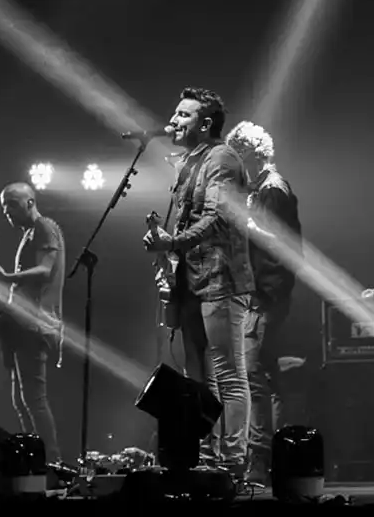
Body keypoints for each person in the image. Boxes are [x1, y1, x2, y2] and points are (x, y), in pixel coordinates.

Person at [143, 87, 254, 474]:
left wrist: (173, 240)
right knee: (197, 377)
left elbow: (219, 217)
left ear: (205, 124)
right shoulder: (190, 161)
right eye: (175, 114)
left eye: (182, 115)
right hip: (192, 281)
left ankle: (233, 460)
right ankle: (206, 457)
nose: (172, 120)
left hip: (221, 280)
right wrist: (165, 246)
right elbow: (190, 219)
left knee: (228, 374)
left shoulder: (221, 157)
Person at [226, 120, 302, 486]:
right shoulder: (263, 189)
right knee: (262, 376)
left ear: (251, 156)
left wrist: (246, 225)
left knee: (256, 376)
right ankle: (269, 459)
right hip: (262, 294)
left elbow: (280, 244)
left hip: (268, 296)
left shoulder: (274, 190)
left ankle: (260, 462)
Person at [0, 182, 64, 463]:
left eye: (12, 203)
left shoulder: (44, 227)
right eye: (4, 204)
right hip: (22, 325)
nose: (6, 210)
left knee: (34, 400)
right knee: (22, 400)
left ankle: (51, 464)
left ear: (30, 202)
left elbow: (45, 271)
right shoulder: (29, 233)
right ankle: (36, 462)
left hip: (35, 326)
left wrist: (6, 277)